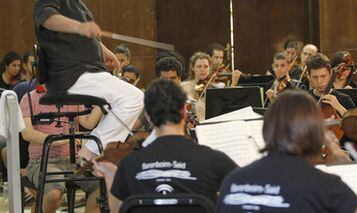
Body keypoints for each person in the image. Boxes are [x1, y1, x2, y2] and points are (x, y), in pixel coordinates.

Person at [33, 0, 144, 161]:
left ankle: (100, 152)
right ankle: (91, 152)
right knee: (135, 98)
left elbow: (83, 34)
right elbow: (48, 19)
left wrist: (103, 50)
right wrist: (80, 27)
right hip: (71, 75)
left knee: (130, 100)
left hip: (87, 72)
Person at [92, 80, 238, 212]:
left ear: (148, 116)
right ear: (185, 111)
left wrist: (110, 173)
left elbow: (118, 210)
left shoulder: (129, 165)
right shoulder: (214, 161)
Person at [217, 90, 357, 212]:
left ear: (267, 127)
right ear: (313, 132)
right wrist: (336, 150)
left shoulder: (232, 181)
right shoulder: (326, 186)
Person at [20, 85, 102, 213]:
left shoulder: (74, 96)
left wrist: (101, 104)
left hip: (74, 160)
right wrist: (62, 140)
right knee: (54, 194)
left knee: (103, 186)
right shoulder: (30, 98)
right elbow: (27, 134)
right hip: (42, 160)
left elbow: (88, 123)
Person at [181, 52, 211, 121]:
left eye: (206, 67)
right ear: (193, 68)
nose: (202, 70)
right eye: (199, 66)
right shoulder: (183, 86)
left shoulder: (213, 88)